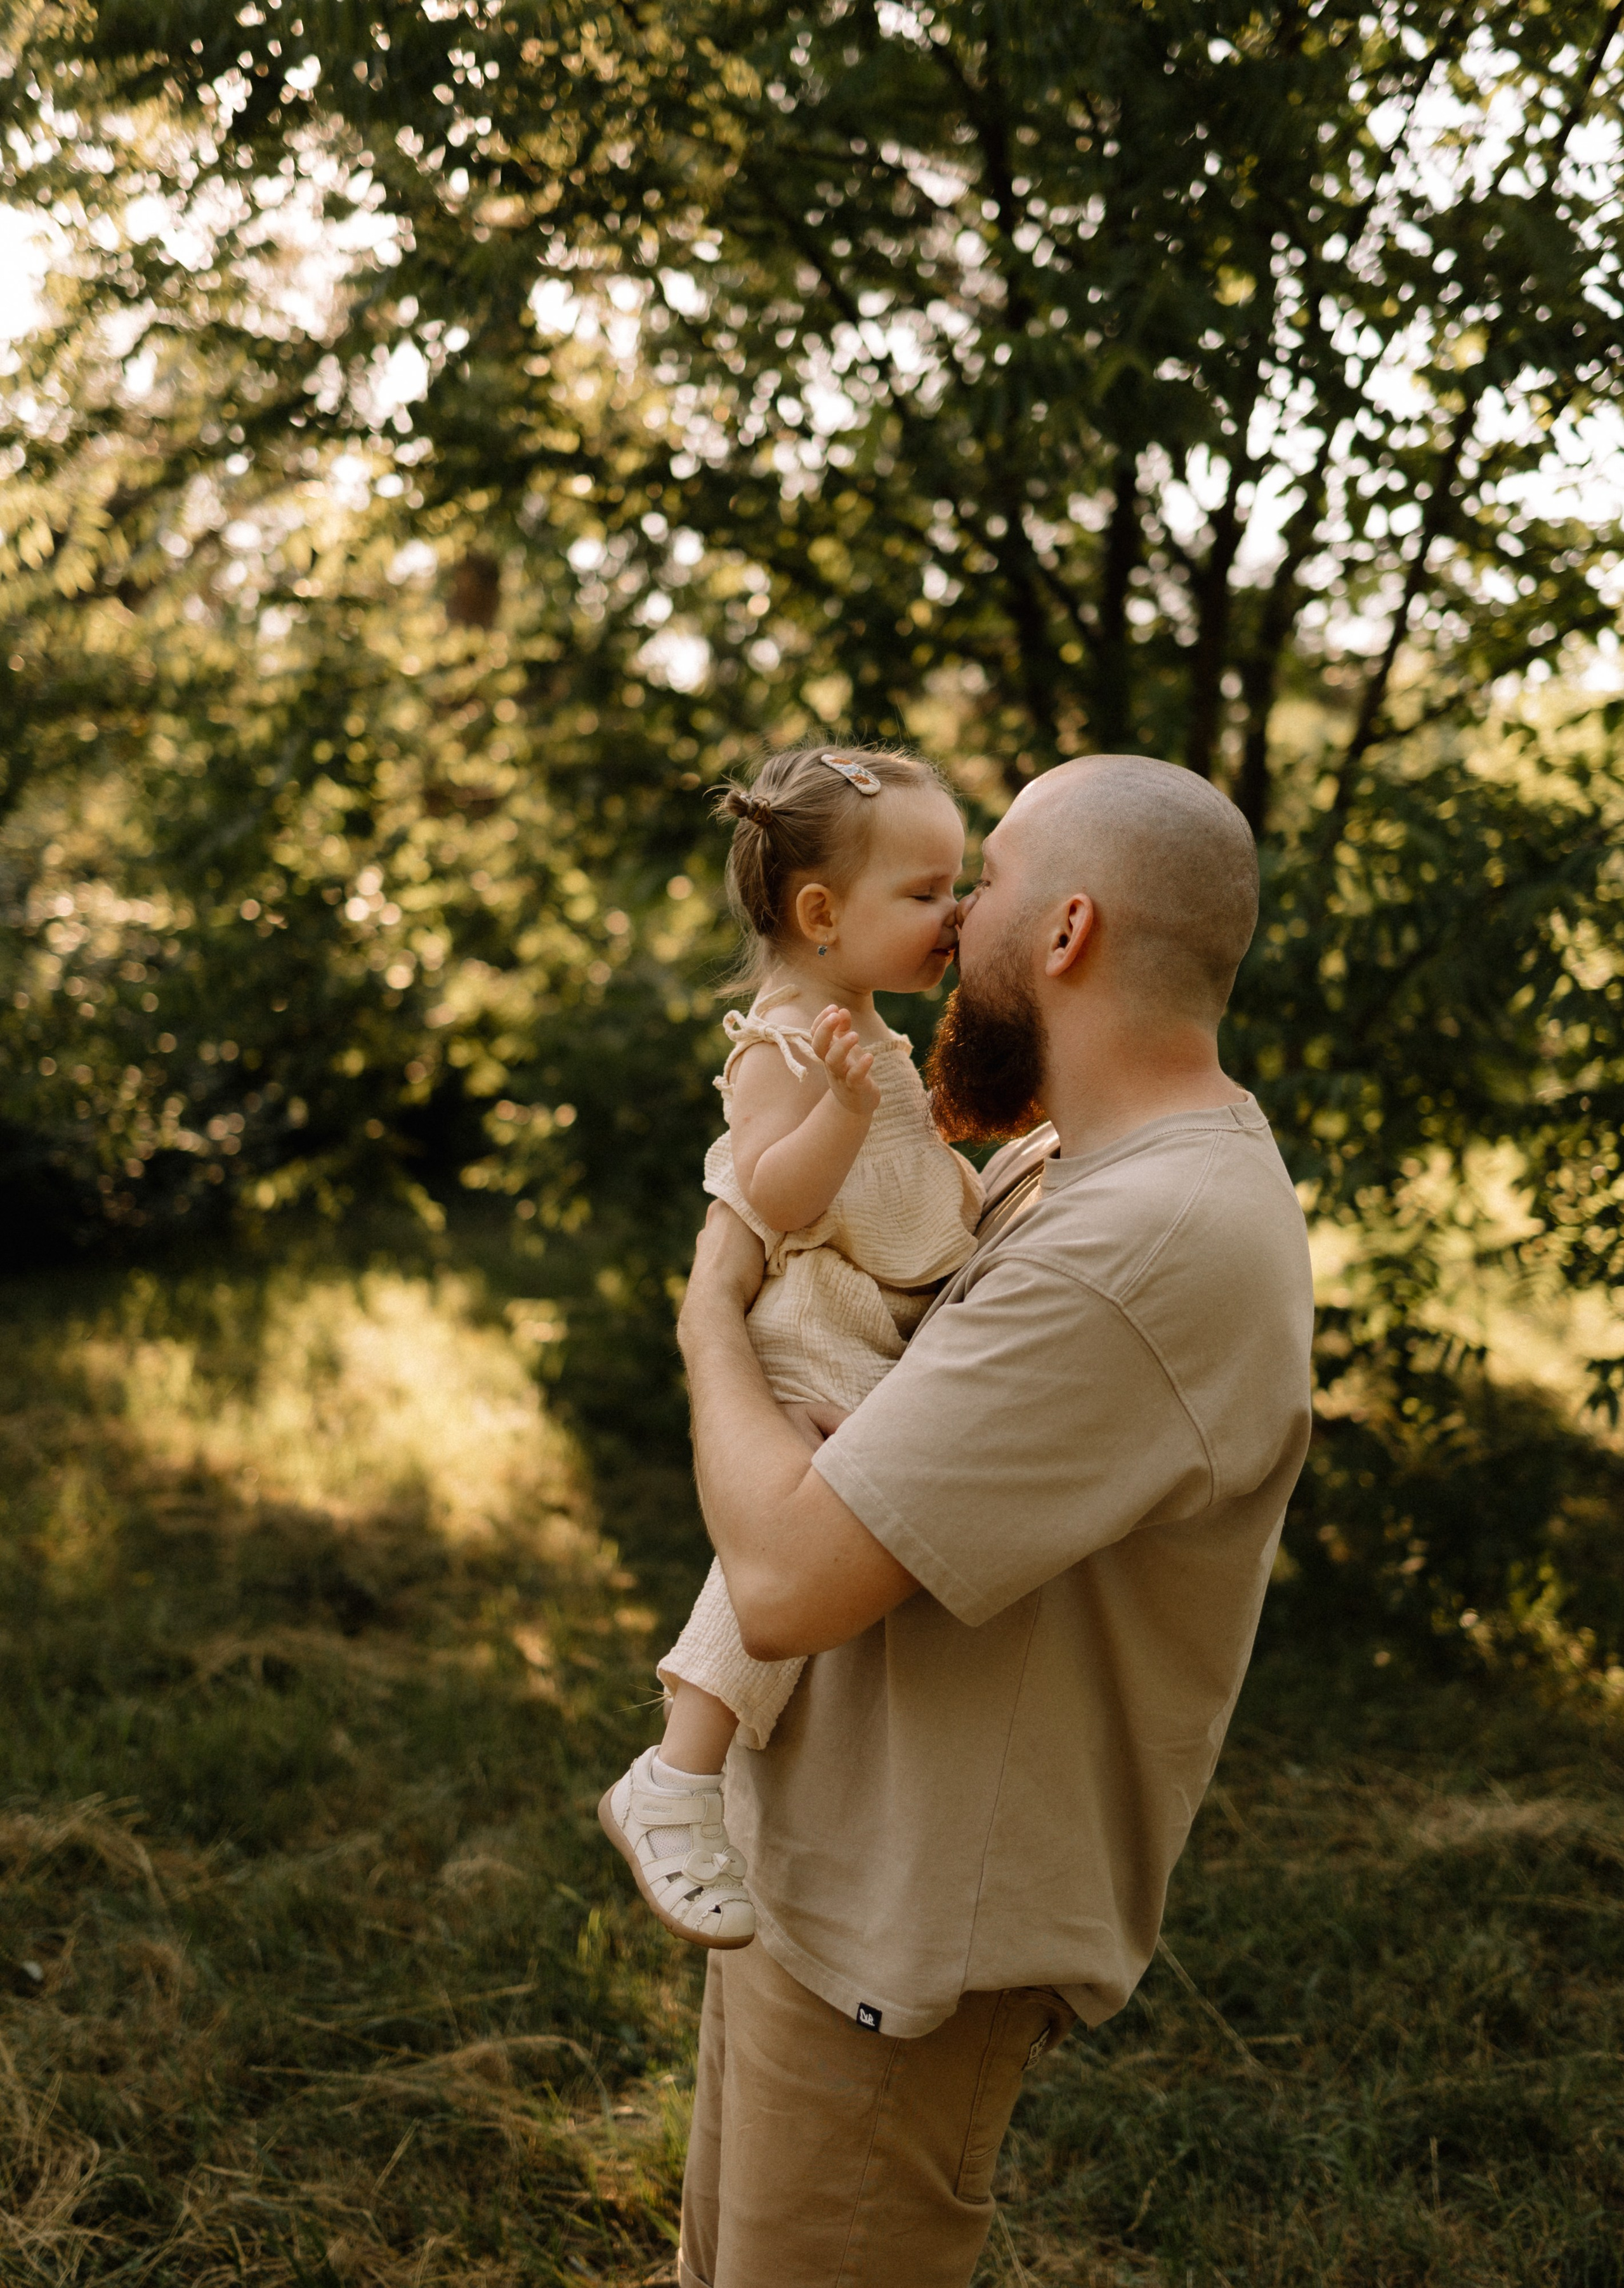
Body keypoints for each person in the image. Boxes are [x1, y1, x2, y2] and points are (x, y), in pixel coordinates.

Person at [669, 754, 1316, 2288]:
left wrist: (708, 1310)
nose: (958, 918)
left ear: (1069, 930)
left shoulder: (1138, 1241)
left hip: (896, 1950)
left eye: (990, 881)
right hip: (817, 1884)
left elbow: (779, 1579)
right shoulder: (1054, 1162)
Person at [599, 742, 982, 1946]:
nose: (958, 914)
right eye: (926, 893)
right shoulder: (786, 1042)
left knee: (845, 1536)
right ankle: (674, 1776)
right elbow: (771, 1192)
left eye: (959, 884)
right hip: (812, 1323)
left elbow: (905, 1183)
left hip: (863, 1312)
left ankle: (711, 1773)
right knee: (801, 1542)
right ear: (820, 913)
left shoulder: (854, 1020)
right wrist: (845, 1109)